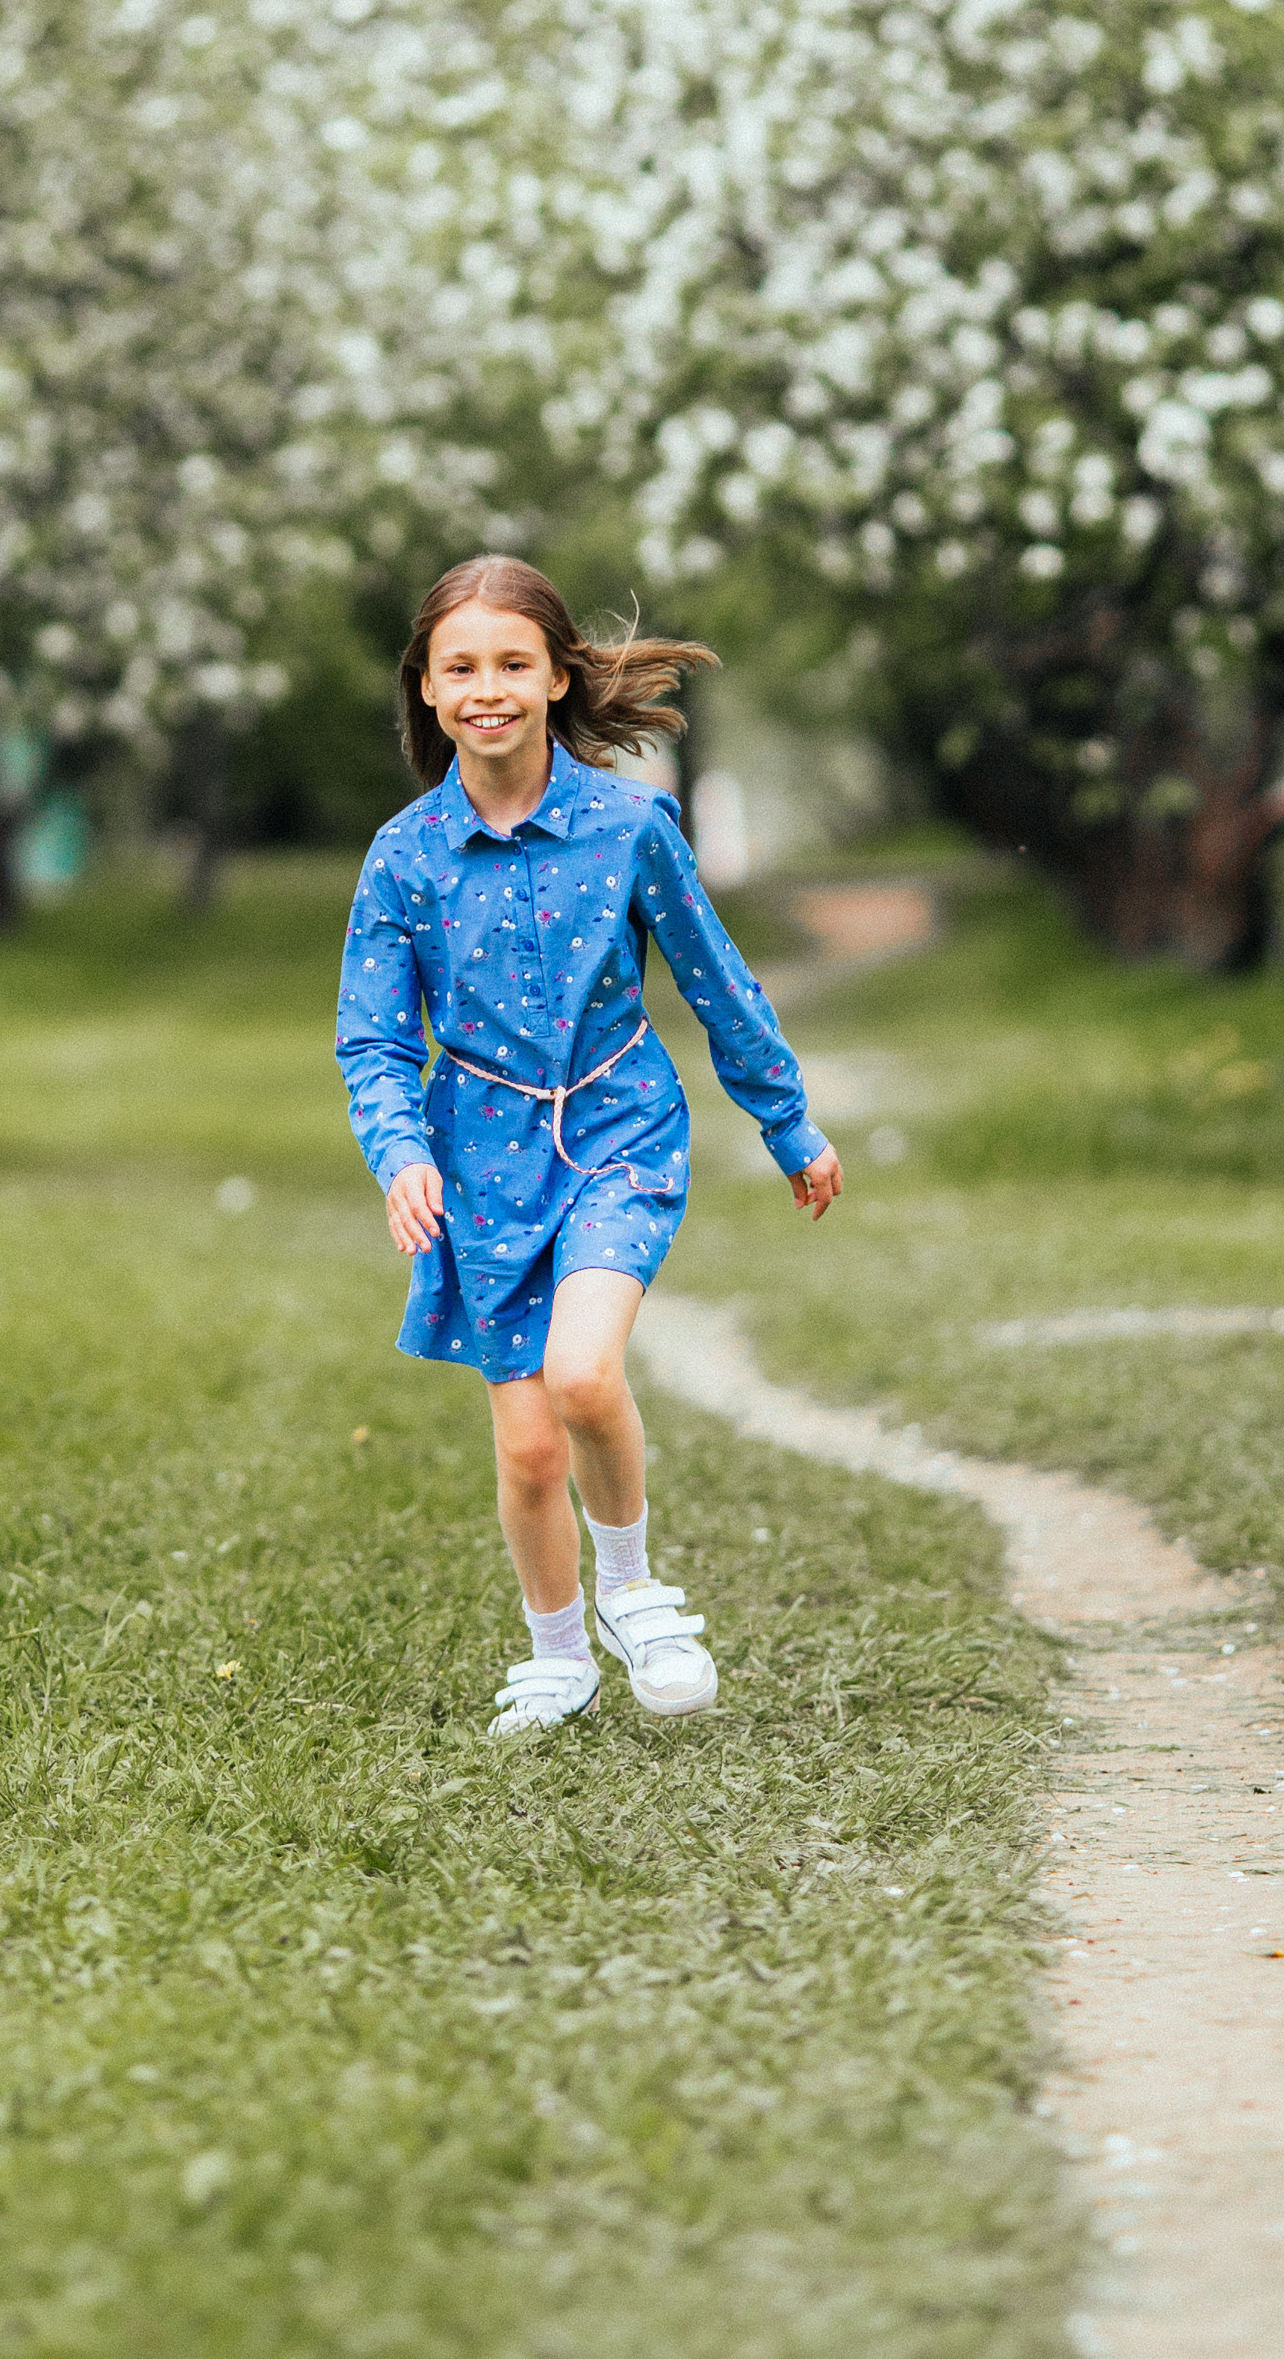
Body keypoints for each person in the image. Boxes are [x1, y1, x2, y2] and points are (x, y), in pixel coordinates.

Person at [335, 554, 843, 1738]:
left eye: (513, 663)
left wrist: (788, 1123)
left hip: (618, 1130)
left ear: (560, 676)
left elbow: (718, 987)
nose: (487, 688)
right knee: (524, 1449)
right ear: (425, 688)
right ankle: (557, 1654)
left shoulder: (627, 829)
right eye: (459, 667)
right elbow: (372, 1040)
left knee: (582, 1376)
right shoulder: (404, 856)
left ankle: (636, 1595)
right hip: (475, 1164)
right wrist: (400, 1152)